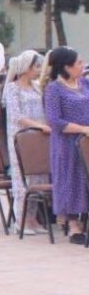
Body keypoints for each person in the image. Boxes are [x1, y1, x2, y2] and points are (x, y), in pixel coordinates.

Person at [43, 47, 89, 244]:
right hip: (67, 144)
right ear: (67, 67)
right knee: (71, 180)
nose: (82, 65)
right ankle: (73, 225)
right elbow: (54, 121)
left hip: (86, 140)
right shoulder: (54, 89)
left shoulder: (84, 83)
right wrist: (82, 128)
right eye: (79, 62)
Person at [3, 50, 50, 234]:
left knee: (39, 176)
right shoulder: (12, 88)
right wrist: (38, 125)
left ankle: (33, 218)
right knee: (22, 178)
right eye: (36, 67)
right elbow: (16, 116)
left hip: (39, 138)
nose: (38, 70)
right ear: (26, 67)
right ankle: (21, 219)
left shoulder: (37, 87)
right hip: (21, 138)